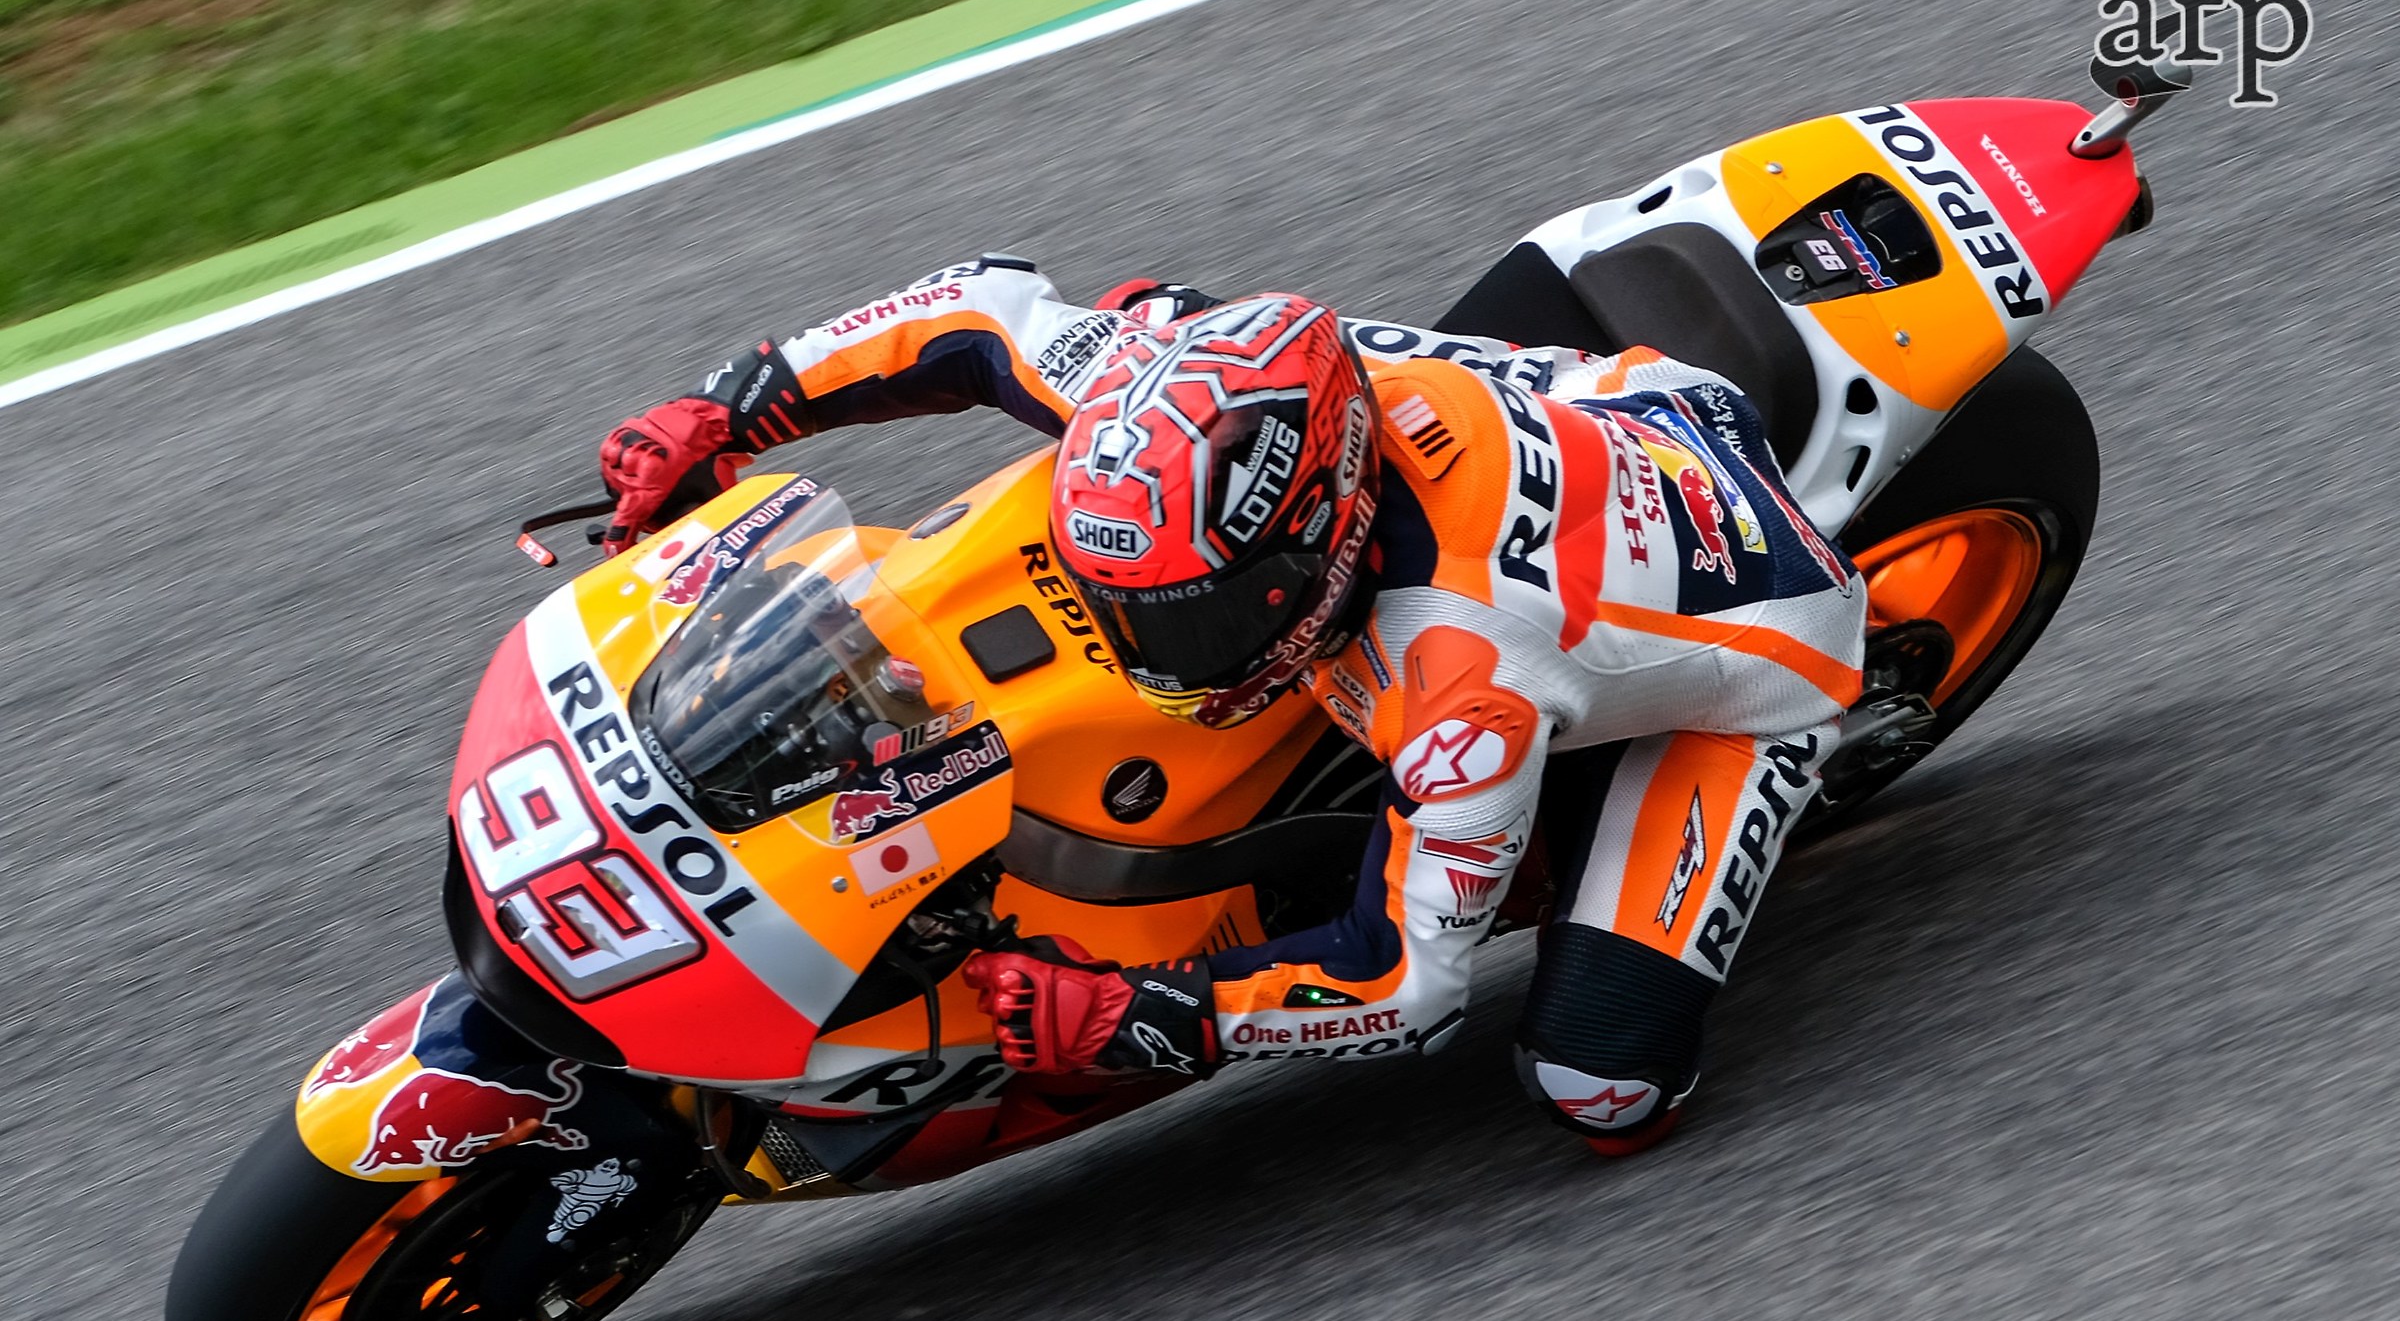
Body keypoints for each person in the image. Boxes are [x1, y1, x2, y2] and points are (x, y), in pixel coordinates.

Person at [596, 256, 1865, 1155]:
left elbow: (1410, 986)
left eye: (1190, 618)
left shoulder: (1463, 690)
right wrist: (733, 401)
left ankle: (1593, 838)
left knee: (1600, 1084)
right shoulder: (1160, 377)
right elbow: (975, 310)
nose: (1145, 642)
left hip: (1762, 643)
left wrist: (1149, 1015)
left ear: (1318, 539)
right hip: (1591, 399)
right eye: (1127, 597)